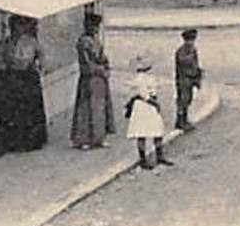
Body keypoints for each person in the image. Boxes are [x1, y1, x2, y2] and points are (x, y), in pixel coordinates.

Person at [0, 17, 47, 154]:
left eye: (19, 26)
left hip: (28, 78)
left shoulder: (31, 42)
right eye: (13, 27)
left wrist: (38, 68)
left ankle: (30, 141)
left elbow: (41, 58)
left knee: (29, 111)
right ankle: (14, 141)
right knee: (14, 111)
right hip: (12, 78)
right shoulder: (6, 43)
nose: (16, 29)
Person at [70, 12, 113, 149]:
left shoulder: (96, 41)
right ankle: (84, 139)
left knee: (100, 108)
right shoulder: (83, 42)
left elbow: (103, 57)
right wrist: (101, 70)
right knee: (86, 108)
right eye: (92, 26)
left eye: (96, 27)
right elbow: (86, 62)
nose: (94, 29)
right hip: (89, 78)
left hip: (100, 79)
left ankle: (99, 138)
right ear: (86, 26)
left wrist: (106, 67)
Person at [123, 57, 172, 169]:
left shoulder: (147, 78)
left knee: (154, 131)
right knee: (145, 131)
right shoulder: (140, 80)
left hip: (146, 106)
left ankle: (155, 157)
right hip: (143, 106)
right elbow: (144, 94)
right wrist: (155, 103)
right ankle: (145, 159)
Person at [173, 29, 203, 131]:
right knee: (183, 100)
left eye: (192, 40)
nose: (191, 42)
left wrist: (198, 75)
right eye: (189, 40)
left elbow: (195, 64)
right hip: (183, 79)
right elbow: (184, 62)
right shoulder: (182, 51)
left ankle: (184, 120)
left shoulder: (192, 49)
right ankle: (180, 121)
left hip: (190, 79)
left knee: (188, 99)